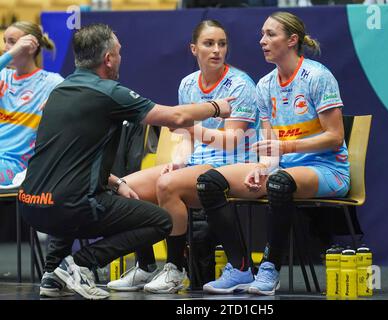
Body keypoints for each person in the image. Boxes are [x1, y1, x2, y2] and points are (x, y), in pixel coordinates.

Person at [18, 23, 233, 300]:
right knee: (162, 221)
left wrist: (117, 181)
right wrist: (217, 107)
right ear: (108, 58)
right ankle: (79, 264)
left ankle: (51, 274)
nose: (120, 57)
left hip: (32, 206)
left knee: (73, 196)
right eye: (118, 52)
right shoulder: (108, 92)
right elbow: (175, 118)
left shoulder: (57, 93)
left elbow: (68, 156)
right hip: (69, 205)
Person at [196, 11, 350, 295]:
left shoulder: (318, 76)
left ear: (292, 40)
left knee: (279, 184)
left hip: (327, 169)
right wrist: (262, 167)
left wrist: (285, 148)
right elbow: (269, 146)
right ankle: (240, 267)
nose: (262, 41)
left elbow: (335, 137)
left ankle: (269, 269)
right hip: (283, 168)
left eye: (270, 34)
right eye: (262, 34)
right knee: (209, 183)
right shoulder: (265, 85)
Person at [106, 19, 258, 293]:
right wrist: (179, 159)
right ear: (193, 49)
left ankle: (175, 269)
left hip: (231, 165)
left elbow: (233, 140)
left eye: (222, 44)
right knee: (125, 186)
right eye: (209, 44)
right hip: (198, 162)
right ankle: (145, 267)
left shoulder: (240, 84)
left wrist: (190, 128)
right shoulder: (188, 84)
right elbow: (187, 139)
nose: (216, 50)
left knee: (168, 185)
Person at [0, 21, 63, 187]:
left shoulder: (51, 83)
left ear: (31, 47)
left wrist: (60, 98)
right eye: (5, 41)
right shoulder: (3, 76)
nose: (6, 48)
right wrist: (12, 53)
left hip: (15, 167)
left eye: (13, 42)